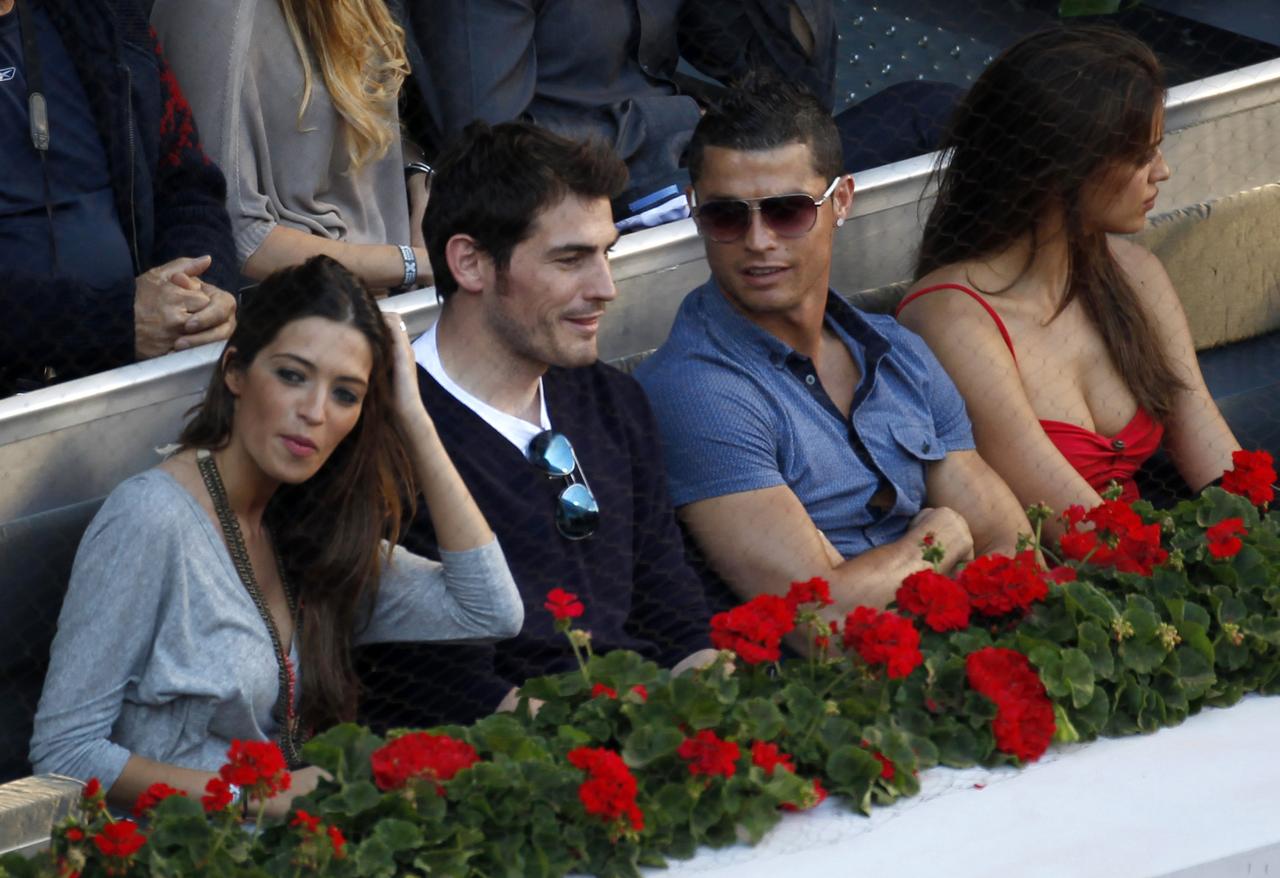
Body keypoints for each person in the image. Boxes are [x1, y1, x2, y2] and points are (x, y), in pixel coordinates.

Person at [30, 256, 523, 817]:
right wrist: (259, 799)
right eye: (292, 375)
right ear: (236, 372)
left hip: (286, 844)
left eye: (346, 394)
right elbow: (65, 753)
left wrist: (412, 411)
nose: (314, 412)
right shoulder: (150, 519)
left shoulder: (313, 525)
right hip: (171, 850)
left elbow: (489, 611)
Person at [356, 122, 716, 728]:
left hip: (646, 734)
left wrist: (723, 708)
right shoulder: (382, 433)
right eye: (570, 259)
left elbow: (671, 602)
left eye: (606, 253)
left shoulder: (613, 401)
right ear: (470, 263)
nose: (605, 288)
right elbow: (431, 684)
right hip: (509, 774)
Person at [635, 78, 1030, 616]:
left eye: (786, 211)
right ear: (694, 211)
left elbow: (1013, 546)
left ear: (841, 201)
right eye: (725, 215)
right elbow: (821, 620)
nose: (757, 240)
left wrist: (883, 577)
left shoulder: (895, 349)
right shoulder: (695, 389)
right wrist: (941, 537)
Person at [897, 26, 1240, 529]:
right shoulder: (950, 317)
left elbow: (1219, 461)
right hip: (1071, 586)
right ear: (1064, 167)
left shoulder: (1136, 273)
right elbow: (1068, 522)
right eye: (1141, 155)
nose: (1162, 172)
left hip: (1159, 561)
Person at [0, 0, 238, 396]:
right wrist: (115, 321)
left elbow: (187, 184)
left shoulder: (106, 18)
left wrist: (200, 296)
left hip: (143, 379)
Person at [151, 0, 432, 292]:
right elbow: (237, 234)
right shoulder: (220, 11)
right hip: (304, 312)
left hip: (391, 291)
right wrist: (415, 264)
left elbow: (368, 125)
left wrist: (416, 179)